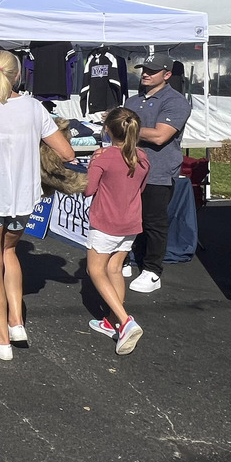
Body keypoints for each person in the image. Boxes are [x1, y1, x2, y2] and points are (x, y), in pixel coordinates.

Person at [0, 49, 74, 361]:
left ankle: (2, 340)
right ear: (19, 75)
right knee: (10, 253)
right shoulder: (34, 108)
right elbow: (67, 153)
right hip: (23, 197)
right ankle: (16, 322)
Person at [122, 56, 192, 294]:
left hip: (158, 170)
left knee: (153, 222)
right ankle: (130, 259)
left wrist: (125, 128)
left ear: (167, 74)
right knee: (128, 217)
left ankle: (152, 271)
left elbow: (161, 136)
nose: (146, 74)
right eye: (144, 70)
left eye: (152, 71)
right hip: (129, 169)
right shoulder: (132, 100)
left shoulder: (176, 101)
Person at [83, 107, 148, 354]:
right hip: (130, 222)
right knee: (114, 269)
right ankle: (113, 322)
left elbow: (89, 189)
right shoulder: (142, 156)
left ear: (107, 130)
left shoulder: (104, 156)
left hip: (106, 222)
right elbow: (140, 188)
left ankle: (125, 319)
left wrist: (92, 163)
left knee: (95, 269)